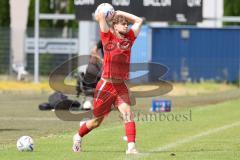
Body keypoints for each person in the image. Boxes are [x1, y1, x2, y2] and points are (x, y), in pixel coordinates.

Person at [72, 8, 143, 154]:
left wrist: (121, 13)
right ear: (114, 26)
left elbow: (138, 20)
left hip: (120, 86)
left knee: (128, 113)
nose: (126, 26)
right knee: (96, 122)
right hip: (106, 85)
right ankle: (78, 136)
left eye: (126, 24)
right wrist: (105, 13)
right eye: (122, 24)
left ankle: (131, 148)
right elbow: (100, 17)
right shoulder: (107, 38)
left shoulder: (130, 37)